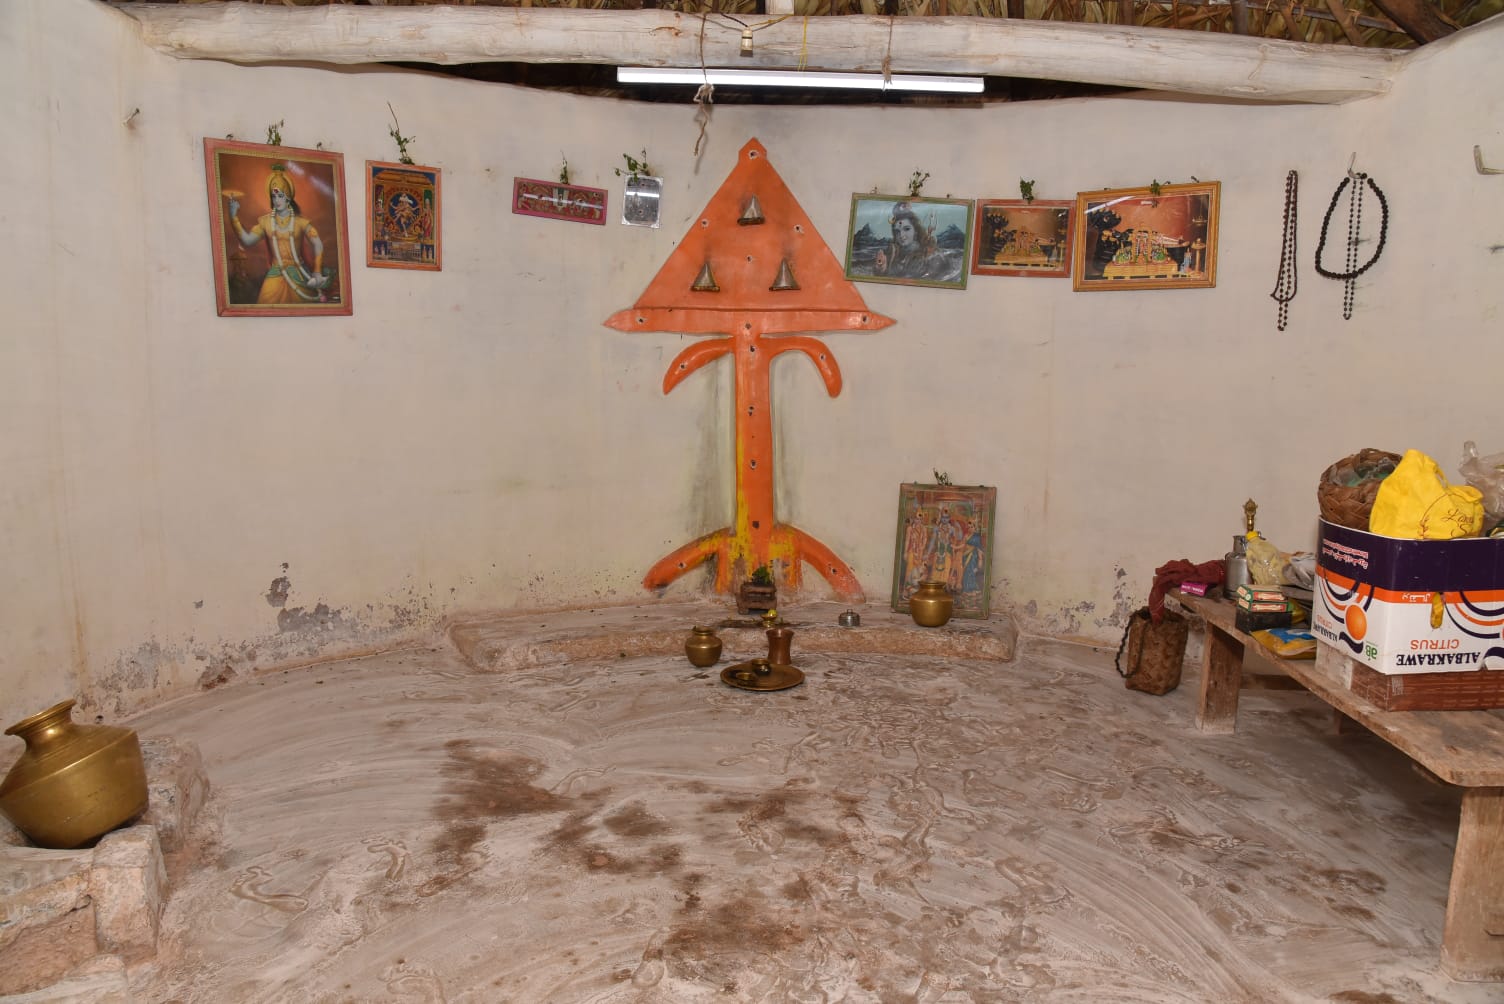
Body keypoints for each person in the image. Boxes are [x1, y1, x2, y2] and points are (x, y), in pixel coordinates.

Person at [225, 163, 331, 304]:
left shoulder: (300, 222)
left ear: (288, 198)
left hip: (298, 274)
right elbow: (247, 241)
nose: (277, 200)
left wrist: (317, 272)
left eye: (280, 196)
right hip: (275, 274)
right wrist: (233, 217)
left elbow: (318, 244)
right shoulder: (265, 222)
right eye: (274, 196)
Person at [874, 202, 951, 281]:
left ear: (916, 231)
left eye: (907, 229)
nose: (901, 235)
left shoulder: (931, 254)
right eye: (897, 231)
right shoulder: (892, 254)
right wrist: (881, 270)